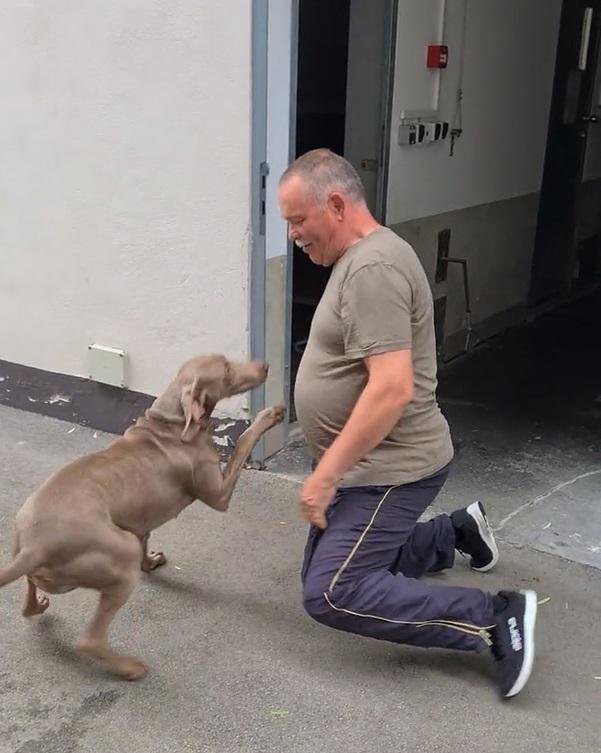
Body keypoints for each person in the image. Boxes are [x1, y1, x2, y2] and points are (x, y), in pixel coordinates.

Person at [277, 148, 537, 699]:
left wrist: (326, 476)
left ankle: (494, 617)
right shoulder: (366, 258)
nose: (294, 235)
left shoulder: (373, 267)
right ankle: (452, 534)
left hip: (390, 469)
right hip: (368, 467)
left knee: (332, 591)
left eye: (298, 220)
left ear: (337, 204)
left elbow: (391, 387)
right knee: (332, 569)